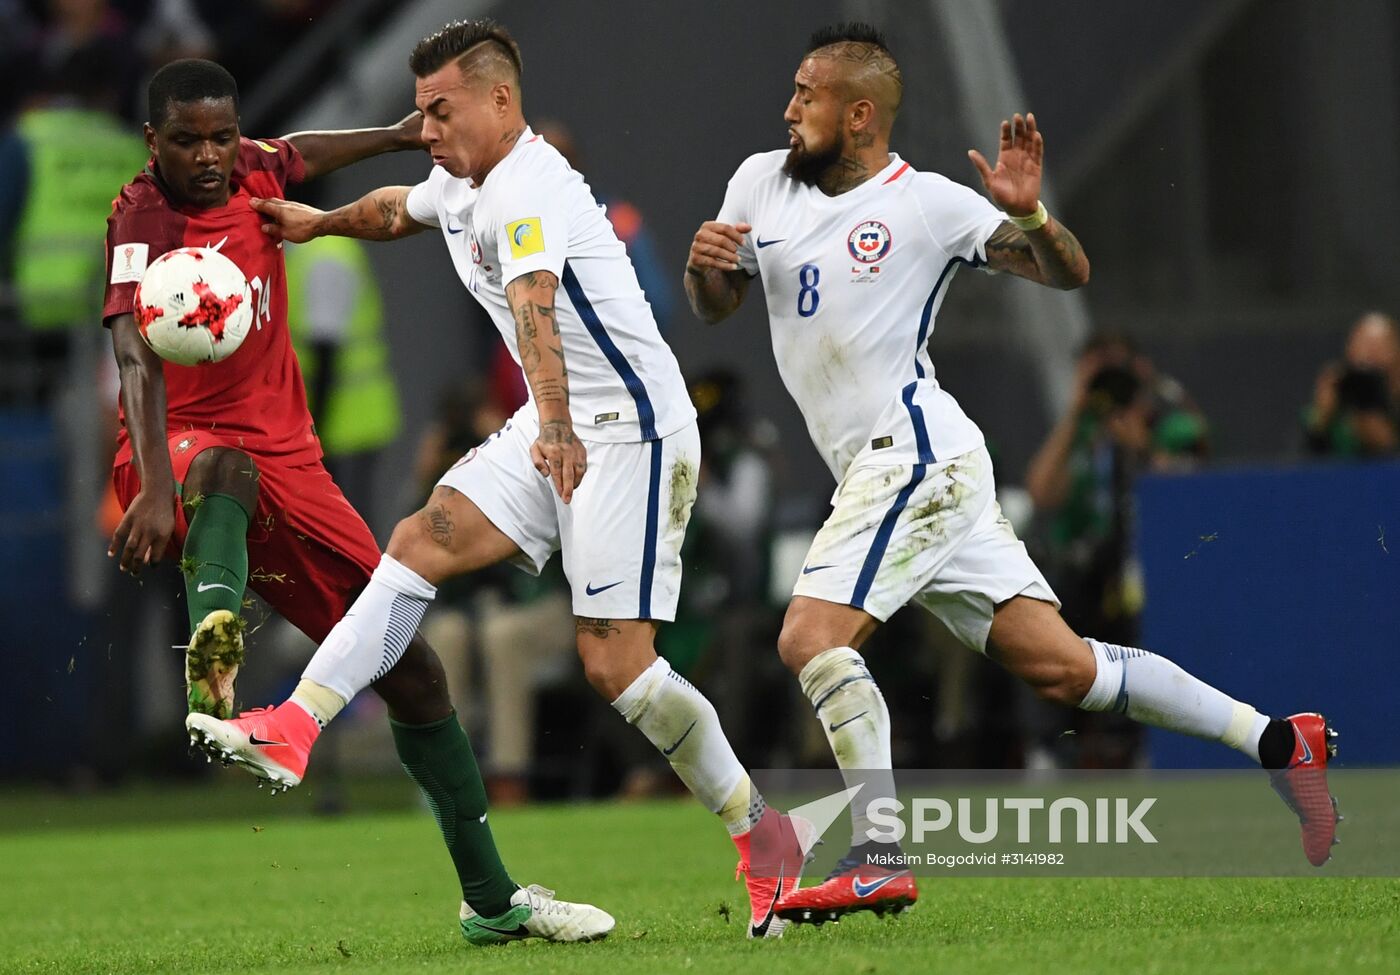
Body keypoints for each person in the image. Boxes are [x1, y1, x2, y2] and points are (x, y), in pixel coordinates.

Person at [684, 23, 1338, 924]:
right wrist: (704, 270)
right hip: (899, 471)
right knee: (1066, 671)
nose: (789, 108)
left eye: (808, 94)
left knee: (808, 636)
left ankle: (878, 855)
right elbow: (718, 305)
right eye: (793, 92)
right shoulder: (763, 181)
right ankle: (1279, 740)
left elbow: (1065, 271)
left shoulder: (928, 205)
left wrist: (1029, 212)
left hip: (911, 452)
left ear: (860, 112)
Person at [189, 19, 810, 940]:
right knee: (418, 539)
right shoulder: (465, 177)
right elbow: (404, 205)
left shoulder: (527, 188)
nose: (427, 128)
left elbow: (533, 307)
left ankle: (766, 840)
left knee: (619, 668)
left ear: (500, 99)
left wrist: (554, 423)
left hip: (629, 434)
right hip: (554, 425)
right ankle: (297, 724)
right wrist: (321, 223)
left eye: (442, 110)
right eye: (421, 111)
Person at [107, 59, 609, 945]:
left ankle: (492, 901)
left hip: (291, 462)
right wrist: (150, 485)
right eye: (187, 140)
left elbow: (300, 151)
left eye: (223, 136)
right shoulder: (139, 216)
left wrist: (393, 134)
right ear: (154, 143)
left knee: (412, 667)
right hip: (177, 451)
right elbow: (137, 359)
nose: (211, 156)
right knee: (223, 468)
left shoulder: (256, 166)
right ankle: (213, 663)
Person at [1303, 311, 1400, 457]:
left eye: (1379, 345)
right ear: (1349, 348)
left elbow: (1386, 447)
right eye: (1364, 343)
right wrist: (1324, 413)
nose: (1370, 353)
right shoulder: (1337, 395)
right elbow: (1303, 455)